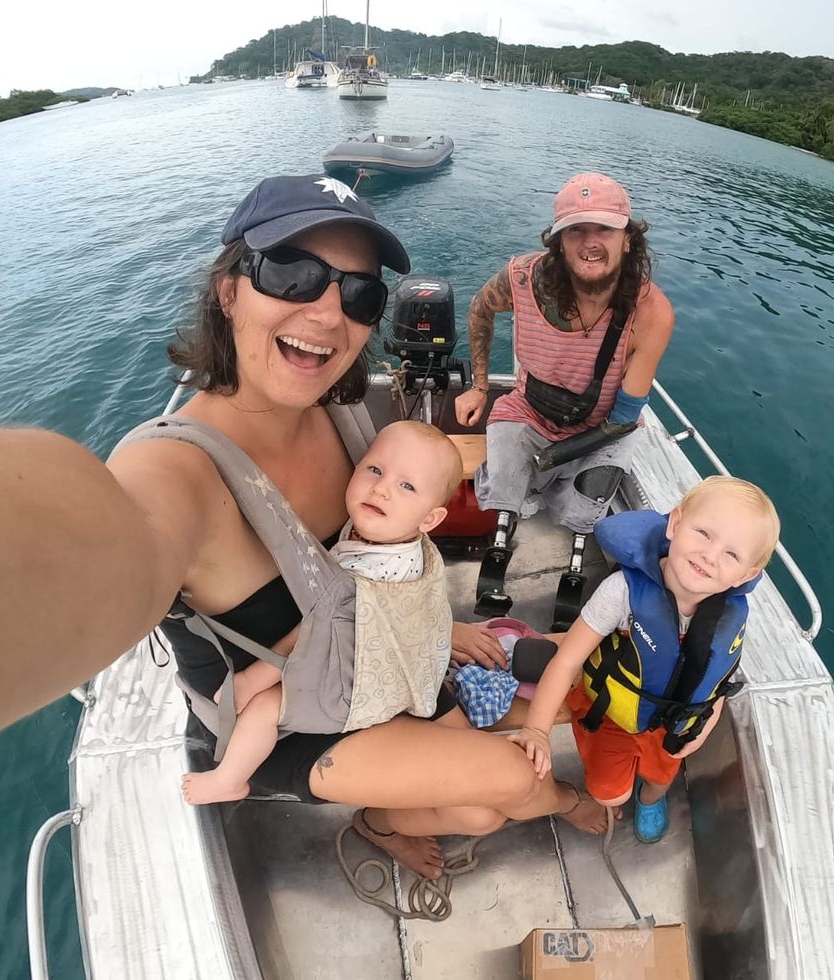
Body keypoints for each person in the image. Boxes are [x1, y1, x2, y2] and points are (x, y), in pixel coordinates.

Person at [0, 174, 601, 877]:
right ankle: (564, 805)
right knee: (510, 784)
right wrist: (561, 798)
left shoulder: (339, 411)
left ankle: (378, 824)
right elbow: (91, 536)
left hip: (373, 664)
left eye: (359, 293)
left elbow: (392, 540)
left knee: (478, 812)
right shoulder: (179, 475)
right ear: (228, 291)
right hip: (287, 722)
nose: (326, 313)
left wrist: (440, 628)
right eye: (292, 273)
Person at [181, 420, 464, 805]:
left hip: (357, 688)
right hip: (392, 664)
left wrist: (251, 678)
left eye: (407, 486)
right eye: (375, 470)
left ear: (430, 519)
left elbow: (308, 636)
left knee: (264, 706)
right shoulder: (401, 541)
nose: (381, 488)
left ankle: (229, 779)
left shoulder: (368, 572)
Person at [453, 172, 675, 628]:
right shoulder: (522, 279)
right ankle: (505, 524)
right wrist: (478, 385)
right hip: (530, 409)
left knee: (584, 507)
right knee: (505, 482)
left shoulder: (651, 313)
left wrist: (551, 458)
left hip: (602, 428)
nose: (590, 242)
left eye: (604, 229)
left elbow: (624, 418)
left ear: (628, 239)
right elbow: (480, 307)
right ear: (558, 241)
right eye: (575, 230)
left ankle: (569, 547)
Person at [510, 476, 780, 842]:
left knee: (659, 778)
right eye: (704, 533)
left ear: (746, 575)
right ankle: (618, 793)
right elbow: (567, 661)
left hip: (672, 723)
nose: (710, 556)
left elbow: (720, 680)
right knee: (611, 793)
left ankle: (651, 798)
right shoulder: (621, 593)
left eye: (732, 554)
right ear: (675, 523)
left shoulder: (729, 613)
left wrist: (704, 728)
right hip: (610, 713)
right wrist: (537, 731)